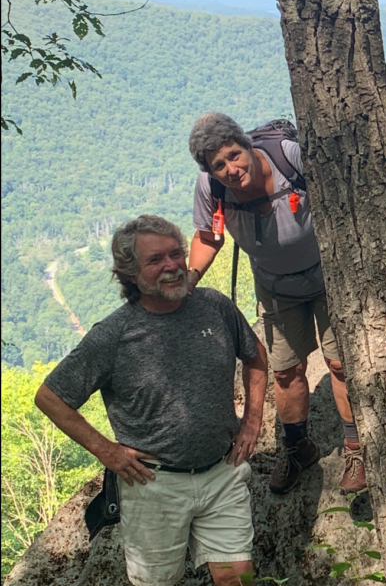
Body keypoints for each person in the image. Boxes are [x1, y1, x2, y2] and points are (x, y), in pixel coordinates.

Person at [34, 215, 268, 586]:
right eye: (155, 260)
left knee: (237, 579)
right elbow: (50, 397)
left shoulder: (214, 306)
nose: (172, 266)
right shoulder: (113, 335)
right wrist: (106, 451)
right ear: (130, 274)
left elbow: (255, 356)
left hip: (221, 471)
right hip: (154, 485)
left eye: (176, 253)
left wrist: (253, 421)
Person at [187, 112, 364, 495]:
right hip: (275, 286)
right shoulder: (211, 189)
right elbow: (208, 237)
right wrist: (188, 282)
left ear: (247, 145)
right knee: (284, 370)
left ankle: (355, 448)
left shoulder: (288, 156)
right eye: (219, 166)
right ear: (209, 172)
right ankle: (297, 448)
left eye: (235, 155)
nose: (232, 169)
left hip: (328, 277)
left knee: (339, 363)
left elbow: (343, 197)